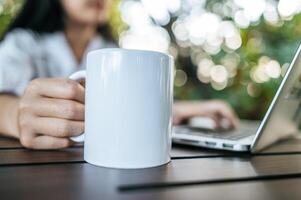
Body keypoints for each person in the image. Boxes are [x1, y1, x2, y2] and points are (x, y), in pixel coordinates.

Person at [0, 0, 239, 149]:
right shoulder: (22, 43)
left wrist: (173, 111)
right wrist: (14, 115)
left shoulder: (109, 47)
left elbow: (126, 107)